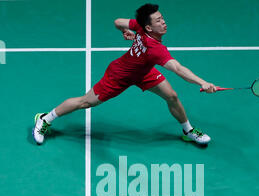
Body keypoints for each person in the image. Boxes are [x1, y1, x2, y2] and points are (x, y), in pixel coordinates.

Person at [33, 3, 217, 146]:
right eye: (159, 20)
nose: (164, 22)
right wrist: (203, 82)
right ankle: (44, 119)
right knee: (85, 102)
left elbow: (118, 22)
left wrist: (127, 31)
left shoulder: (140, 26)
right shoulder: (156, 49)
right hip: (120, 75)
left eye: (162, 18)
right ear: (149, 28)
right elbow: (178, 69)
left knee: (172, 96)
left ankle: (188, 131)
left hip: (144, 71)